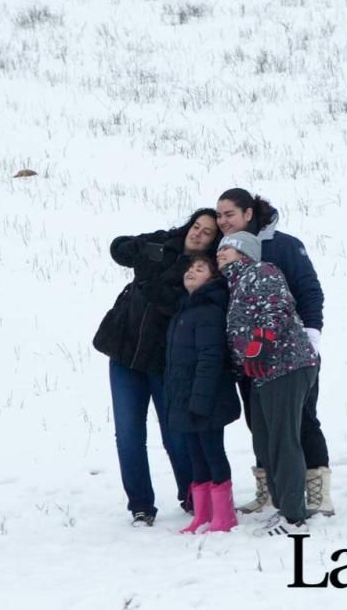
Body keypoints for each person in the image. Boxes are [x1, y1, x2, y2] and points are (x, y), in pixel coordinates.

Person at [92, 209, 221, 526]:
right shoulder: (163, 243)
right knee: (128, 435)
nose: (197, 233)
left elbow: (175, 303)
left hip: (164, 364)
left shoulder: (205, 271)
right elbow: (118, 248)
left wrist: (149, 279)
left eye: (206, 232)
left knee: (176, 435)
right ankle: (140, 505)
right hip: (124, 355)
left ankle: (192, 495)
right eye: (196, 226)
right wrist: (134, 249)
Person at [215, 189, 334, 517]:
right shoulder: (225, 253)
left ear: (248, 214)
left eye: (230, 214)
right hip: (254, 362)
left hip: (288, 354)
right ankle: (273, 491)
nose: (223, 221)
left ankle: (315, 490)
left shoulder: (280, 247)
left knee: (301, 421)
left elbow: (307, 291)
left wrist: (310, 337)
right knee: (262, 424)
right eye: (219, 215)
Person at [164, 253, 241, 534]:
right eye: (190, 268)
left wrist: (200, 400)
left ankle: (224, 515)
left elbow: (210, 358)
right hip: (187, 399)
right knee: (196, 457)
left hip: (207, 400)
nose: (192, 272)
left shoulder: (208, 310)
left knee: (213, 454)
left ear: (213, 278)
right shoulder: (184, 309)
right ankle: (203, 514)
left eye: (200, 269)